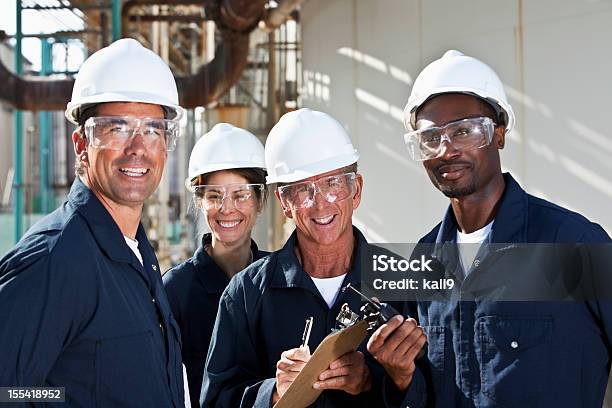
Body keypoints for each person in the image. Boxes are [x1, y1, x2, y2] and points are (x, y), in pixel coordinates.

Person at [381, 50, 612, 407]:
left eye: (464, 131)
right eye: (430, 138)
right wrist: (400, 379)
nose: (447, 149)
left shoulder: (573, 243)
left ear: (499, 134)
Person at [0, 38, 186, 406]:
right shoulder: (56, 259)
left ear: (166, 145)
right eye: (117, 128)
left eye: (152, 129)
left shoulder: (136, 253)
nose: (137, 147)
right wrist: (69, 398)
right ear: (81, 144)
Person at [201, 108, 426, 407]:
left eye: (333, 184)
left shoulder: (401, 281)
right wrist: (275, 393)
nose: (320, 205)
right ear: (284, 202)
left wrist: (383, 379)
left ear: (355, 190)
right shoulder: (246, 294)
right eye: (302, 190)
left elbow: (442, 391)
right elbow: (215, 400)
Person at [163, 123, 270, 407]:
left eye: (241, 195)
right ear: (200, 202)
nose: (227, 208)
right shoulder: (176, 290)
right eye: (213, 196)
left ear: (261, 201)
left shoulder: (279, 277)